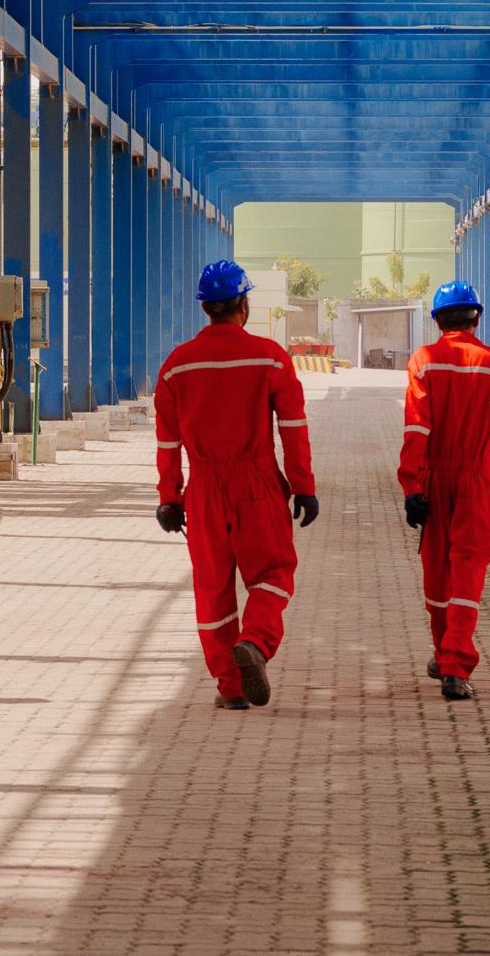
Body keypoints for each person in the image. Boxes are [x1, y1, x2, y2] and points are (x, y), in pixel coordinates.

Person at [154, 260, 320, 711]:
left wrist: (169, 498)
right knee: (273, 572)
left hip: (204, 490)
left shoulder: (176, 366)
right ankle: (256, 642)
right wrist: (304, 486)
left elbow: (167, 443)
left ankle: (230, 685)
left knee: (213, 588)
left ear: (205, 308)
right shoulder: (269, 357)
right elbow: (293, 426)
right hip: (257, 484)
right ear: (243, 305)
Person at [398, 280, 490, 702]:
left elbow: (417, 427)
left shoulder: (424, 360)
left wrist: (412, 483)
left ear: (437, 320)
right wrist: (478, 447)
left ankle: (443, 651)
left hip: (434, 475)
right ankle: (454, 665)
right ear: (476, 317)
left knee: (437, 573)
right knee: (468, 572)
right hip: (478, 476)